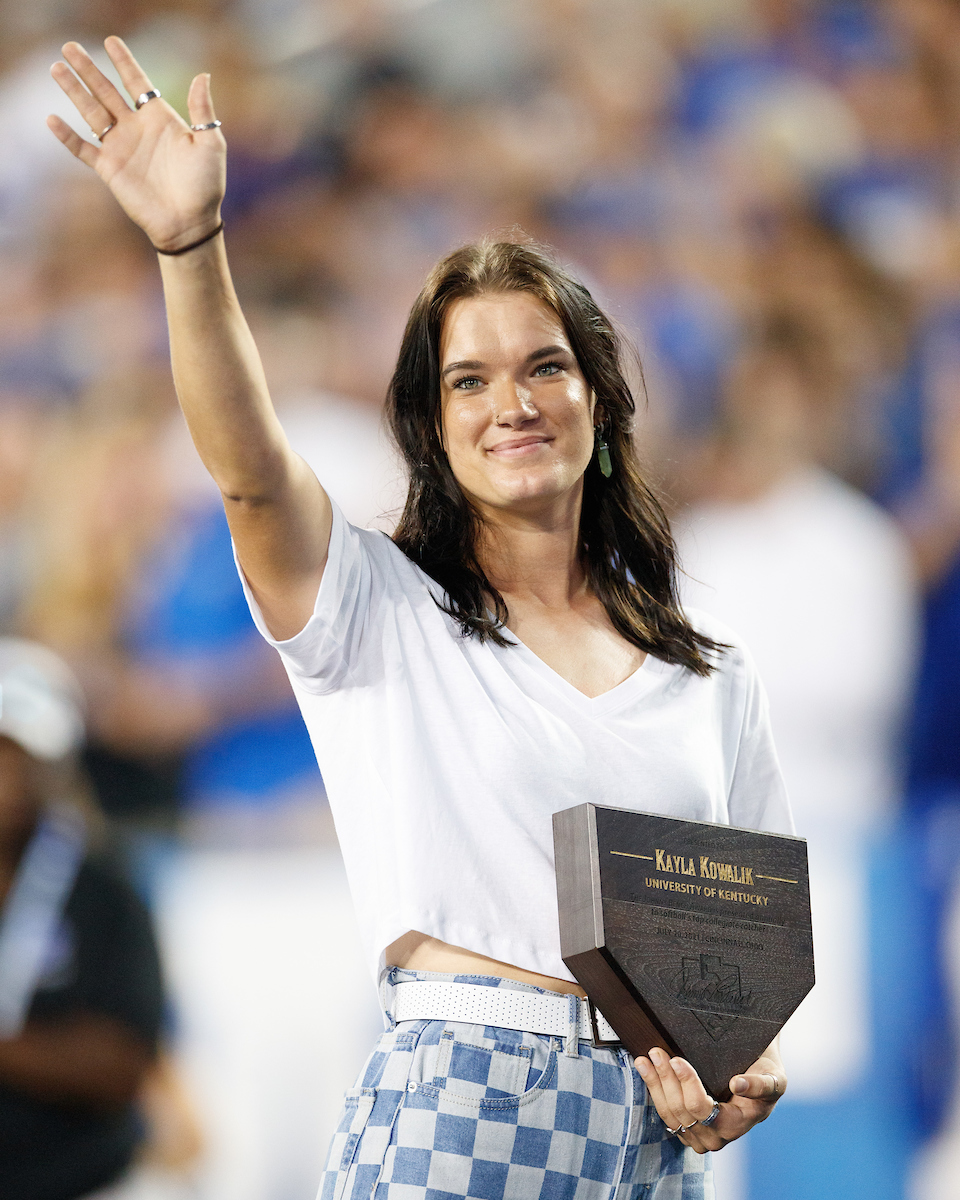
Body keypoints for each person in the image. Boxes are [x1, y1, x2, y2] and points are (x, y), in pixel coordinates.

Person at [47, 38, 793, 1199]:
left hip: (660, 1140)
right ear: (432, 426)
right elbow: (249, 474)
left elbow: (745, 966)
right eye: (469, 380)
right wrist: (190, 250)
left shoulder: (712, 676)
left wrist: (746, 1068)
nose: (513, 404)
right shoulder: (382, 612)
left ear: (599, 397)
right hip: (463, 1108)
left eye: (544, 366)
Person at [0, 638, 166, 1200]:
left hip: (84, 1183)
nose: (8, 777)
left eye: (20, 754)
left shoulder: (103, 889)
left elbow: (120, 1065)